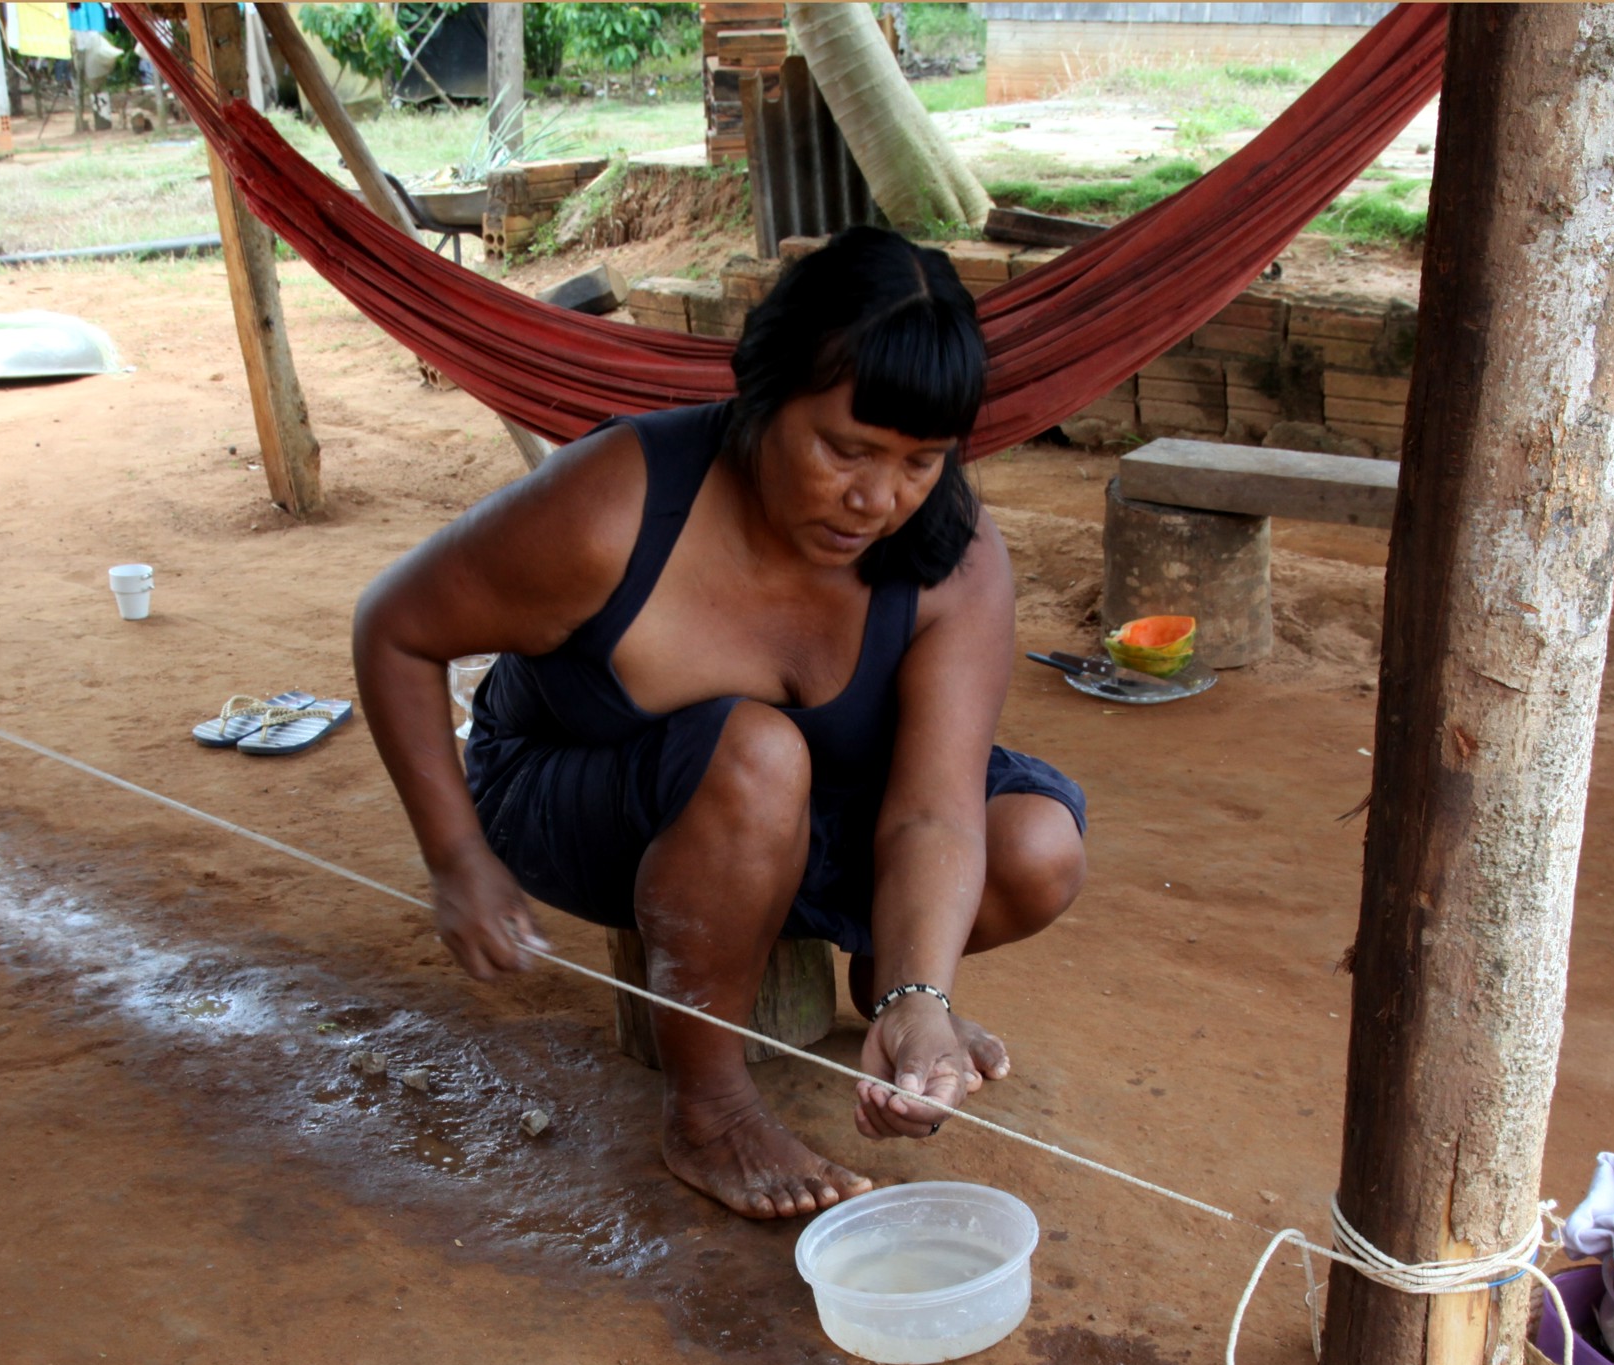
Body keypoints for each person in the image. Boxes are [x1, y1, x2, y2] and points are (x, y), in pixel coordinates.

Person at [352, 227, 1087, 1221]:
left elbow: (934, 812)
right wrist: (453, 855)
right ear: (761, 391)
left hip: (806, 798)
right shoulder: (619, 503)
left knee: (1034, 846)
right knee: (756, 752)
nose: (877, 499)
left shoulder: (950, 554)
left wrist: (922, 995)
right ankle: (709, 1112)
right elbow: (394, 629)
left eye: (921, 461)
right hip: (575, 790)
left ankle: (889, 988)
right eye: (845, 449)